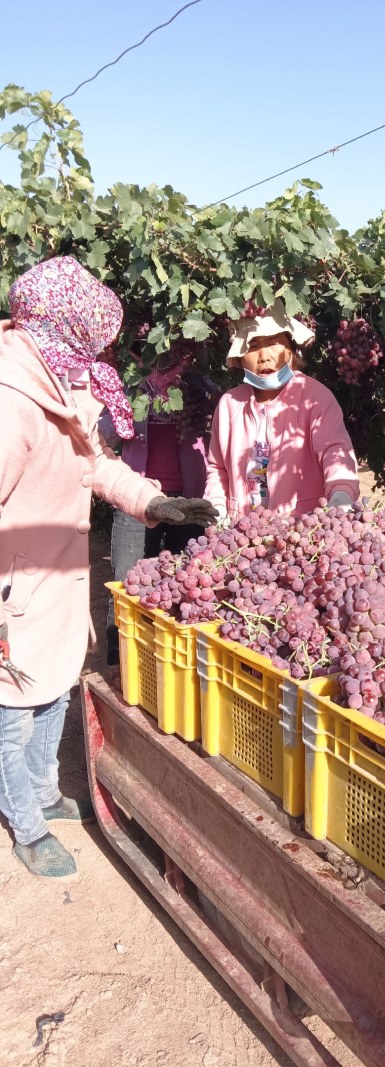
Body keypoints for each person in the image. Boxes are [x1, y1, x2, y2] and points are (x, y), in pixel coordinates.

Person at [0, 256, 217, 879]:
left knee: (54, 689)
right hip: (13, 586)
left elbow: (94, 464)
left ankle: (42, 792)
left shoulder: (57, 385)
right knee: (14, 710)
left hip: (55, 575)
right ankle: (28, 827)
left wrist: (154, 501)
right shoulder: (13, 405)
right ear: (64, 334)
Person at [104, 346, 220, 667]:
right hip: (137, 500)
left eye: (175, 353)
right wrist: (139, 394)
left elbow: (218, 432)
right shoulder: (132, 386)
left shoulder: (198, 389)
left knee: (183, 581)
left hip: (187, 499)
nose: (167, 359)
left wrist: (195, 393)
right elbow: (106, 437)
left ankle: (168, 659)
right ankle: (121, 659)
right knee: (127, 580)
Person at [205, 300, 359, 520]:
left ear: (290, 348)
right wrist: (217, 507)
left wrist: (341, 492)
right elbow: (217, 468)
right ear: (239, 356)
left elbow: (335, 451)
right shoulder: (230, 404)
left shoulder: (314, 398)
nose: (265, 356)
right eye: (254, 346)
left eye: (274, 343)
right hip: (243, 535)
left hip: (301, 532)